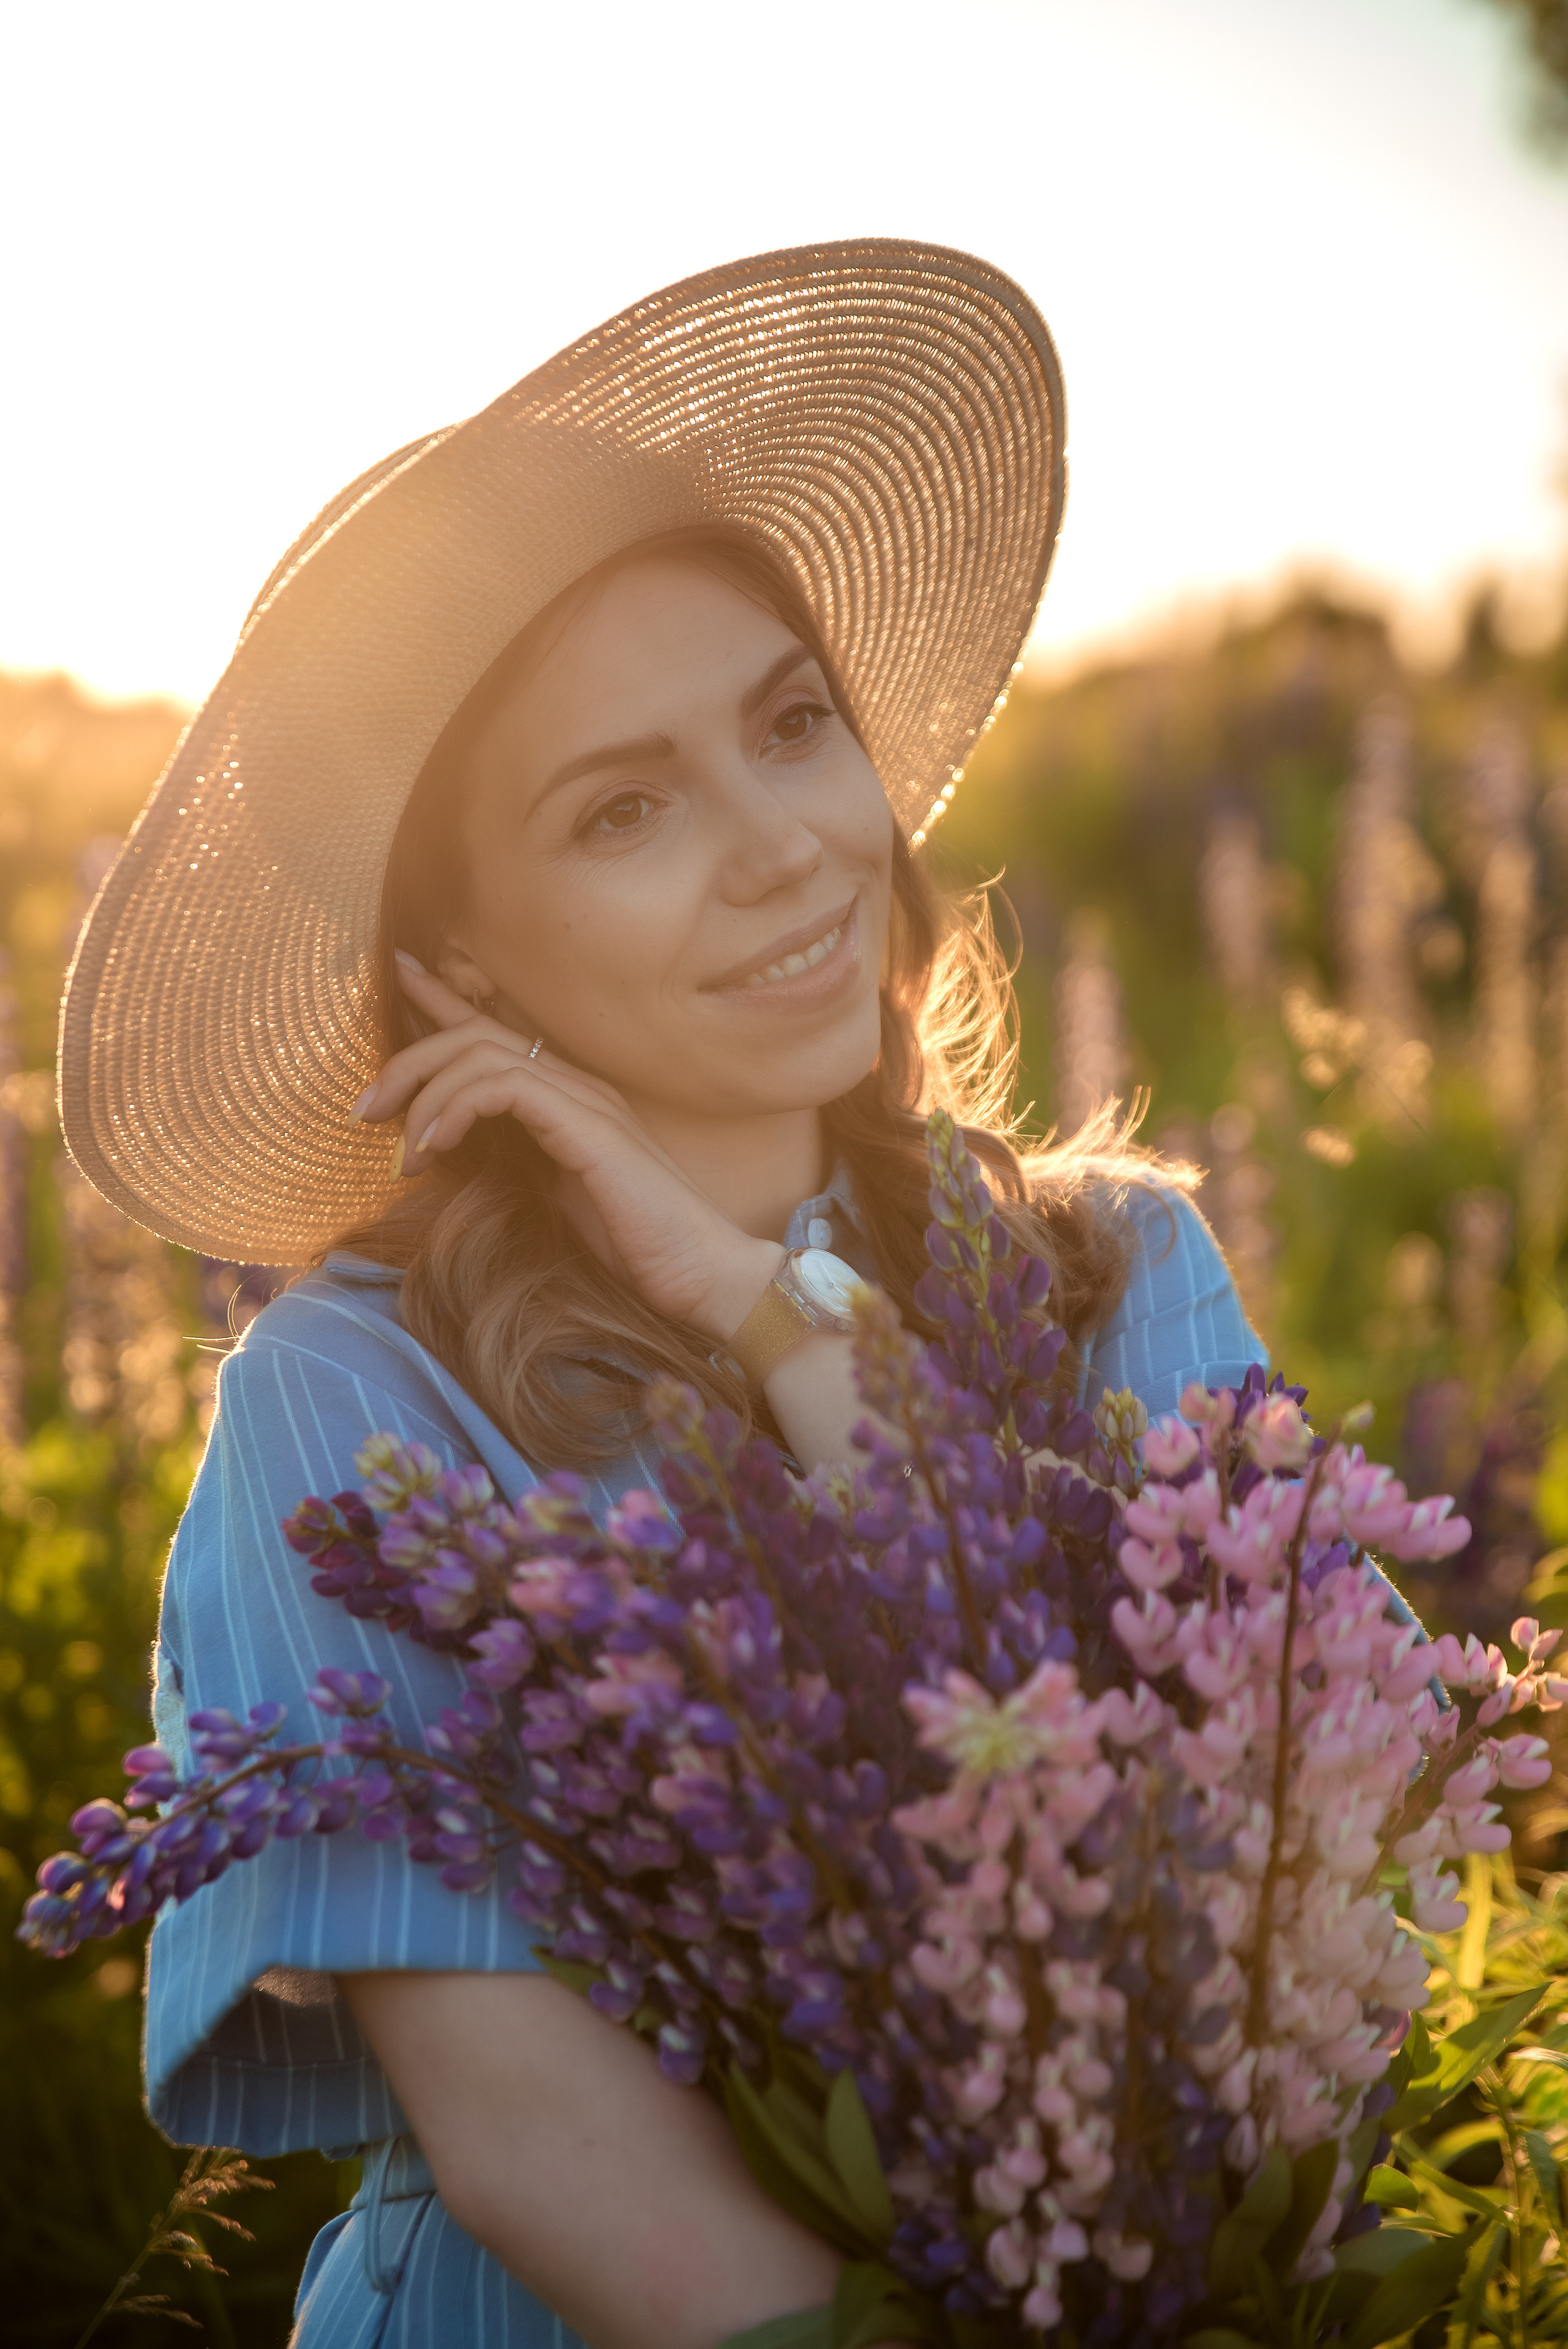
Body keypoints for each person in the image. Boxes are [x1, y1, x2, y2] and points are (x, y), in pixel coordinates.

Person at [59, 244, 1265, 2348]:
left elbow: (1264, 1918)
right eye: (624, 807)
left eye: (791, 725)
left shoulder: (1122, 1277)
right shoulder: (355, 1404)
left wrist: (785, 1325)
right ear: (469, 965)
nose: (785, 845)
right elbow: (543, 2144)